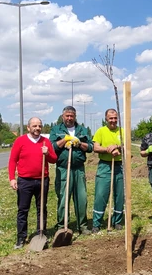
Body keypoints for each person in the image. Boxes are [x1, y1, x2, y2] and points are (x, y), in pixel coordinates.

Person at [7, 117, 58, 249]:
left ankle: (41, 232)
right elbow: (13, 160)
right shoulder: (20, 141)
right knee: (23, 209)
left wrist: (47, 154)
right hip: (25, 181)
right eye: (34, 126)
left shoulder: (46, 142)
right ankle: (21, 237)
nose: (37, 128)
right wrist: (12, 178)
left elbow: (54, 159)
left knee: (41, 208)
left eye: (39, 126)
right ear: (28, 127)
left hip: (42, 180)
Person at [49, 106, 94, 235]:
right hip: (63, 169)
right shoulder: (56, 130)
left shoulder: (83, 130)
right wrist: (65, 140)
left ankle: (83, 226)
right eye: (67, 116)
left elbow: (90, 147)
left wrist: (79, 144)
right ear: (63, 116)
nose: (69, 118)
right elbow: (52, 147)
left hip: (79, 169)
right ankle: (62, 226)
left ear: (75, 116)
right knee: (63, 197)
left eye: (71, 116)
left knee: (81, 198)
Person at [91, 108, 125, 234]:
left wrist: (117, 147)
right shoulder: (101, 131)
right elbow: (95, 147)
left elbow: (126, 145)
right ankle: (97, 223)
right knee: (101, 194)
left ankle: (117, 221)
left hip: (119, 165)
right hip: (105, 166)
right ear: (106, 119)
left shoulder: (122, 131)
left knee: (119, 195)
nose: (113, 120)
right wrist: (107, 150)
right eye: (111, 118)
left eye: (115, 118)